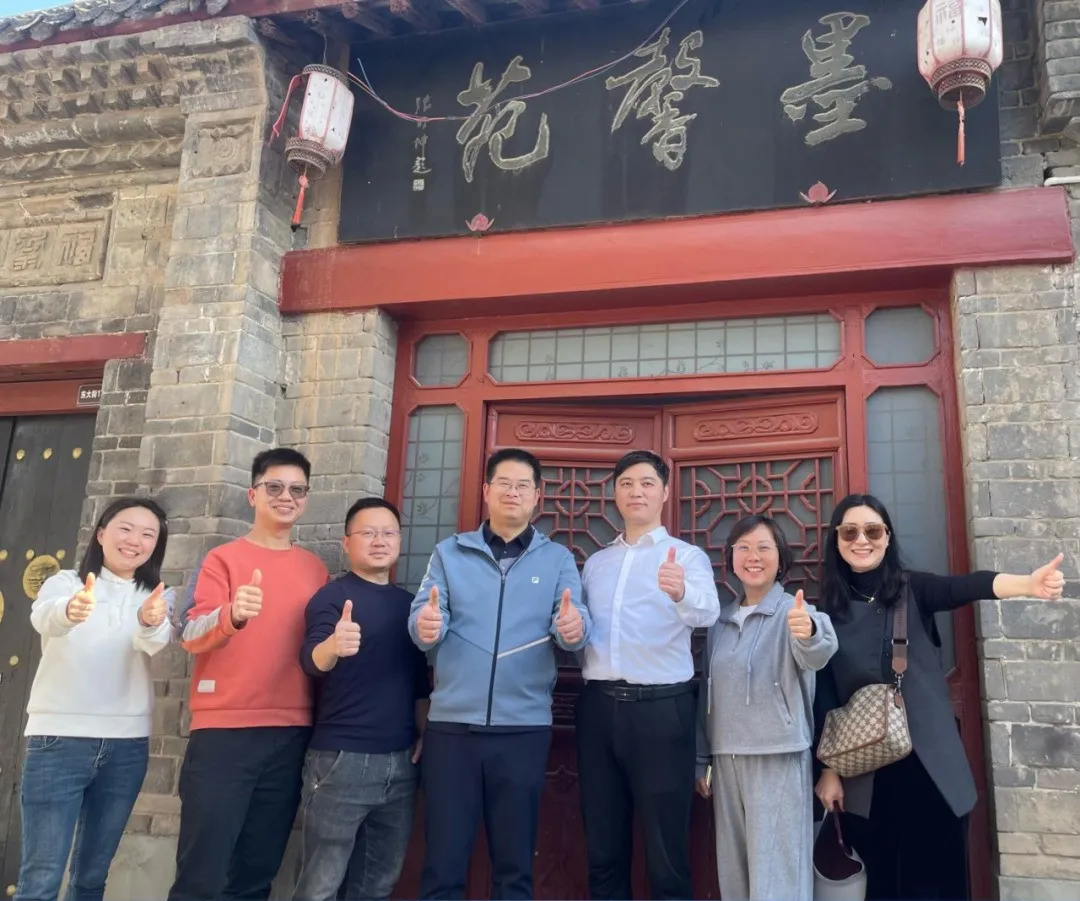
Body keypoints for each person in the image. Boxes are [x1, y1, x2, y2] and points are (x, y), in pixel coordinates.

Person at [813, 493, 1065, 901]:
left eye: (872, 531)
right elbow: (824, 692)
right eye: (850, 532)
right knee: (883, 886)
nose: (862, 540)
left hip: (929, 766)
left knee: (937, 883)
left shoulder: (913, 588)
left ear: (887, 537)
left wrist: (1027, 585)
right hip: (865, 775)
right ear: (836, 540)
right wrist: (827, 770)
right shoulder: (827, 611)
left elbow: (966, 586)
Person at [408, 447, 592, 901]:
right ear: (487, 490)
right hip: (452, 728)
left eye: (523, 485)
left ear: (537, 496)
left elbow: (574, 625)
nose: (513, 492)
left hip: (523, 729)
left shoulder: (557, 559)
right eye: (504, 483)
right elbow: (423, 617)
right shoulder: (450, 552)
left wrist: (573, 628)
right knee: (443, 863)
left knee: (514, 867)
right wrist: (425, 625)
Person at [169, 448, 329, 901]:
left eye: (297, 489)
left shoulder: (315, 568)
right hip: (224, 733)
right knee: (201, 874)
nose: (286, 496)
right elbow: (189, 634)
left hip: (291, 733)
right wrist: (232, 615)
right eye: (274, 487)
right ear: (252, 494)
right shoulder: (222, 559)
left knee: (256, 876)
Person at [577, 450, 720, 900]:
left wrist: (680, 592)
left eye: (646, 483)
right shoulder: (596, 563)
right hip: (598, 709)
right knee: (602, 845)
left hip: (661, 712)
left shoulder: (688, 557)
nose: (635, 491)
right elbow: (580, 631)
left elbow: (708, 613)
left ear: (664, 492)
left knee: (666, 851)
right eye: (626, 483)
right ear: (615, 493)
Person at [16, 498, 173, 901]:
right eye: (126, 528)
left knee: (91, 876)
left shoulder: (155, 596)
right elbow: (44, 617)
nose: (135, 540)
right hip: (58, 740)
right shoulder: (65, 583)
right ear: (101, 533)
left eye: (148, 534)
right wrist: (71, 610)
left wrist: (148, 621)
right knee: (41, 878)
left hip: (126, 747)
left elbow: (154, 642)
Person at [293, 497, 430, 901]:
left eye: (388, 533)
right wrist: (333, 646)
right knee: (319, 886)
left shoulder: (409, 606)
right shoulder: (332, 598)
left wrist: (424, 733)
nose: (379, 541)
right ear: (346, 542)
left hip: (401, 763)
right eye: (368, 533)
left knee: (377, 884)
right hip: (341, 761)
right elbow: (311, 660)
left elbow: (418, 684)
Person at [695, 514, 837, 901]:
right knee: (735, 874)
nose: (753, 556)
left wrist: (809, 631)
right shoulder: (719, 621)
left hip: (779, 757)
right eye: (743, 547)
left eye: (763, 547)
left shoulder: (794, 612)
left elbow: (819, 651)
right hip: (726, 759)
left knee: (779, 878)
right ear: (730, 558)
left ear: (781, 558)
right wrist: (701, 759)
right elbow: (706, 694)